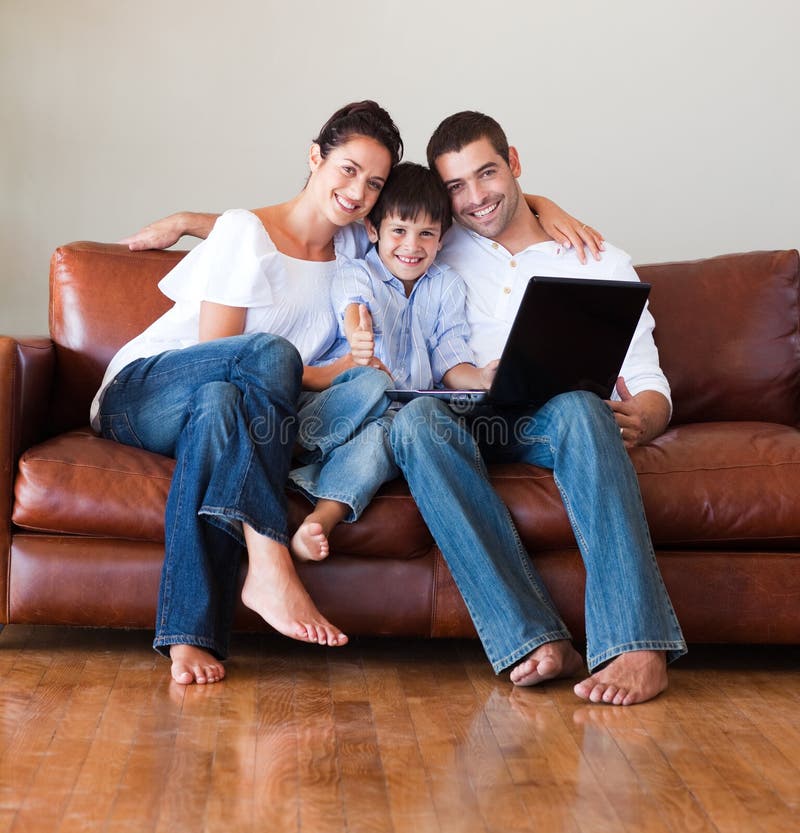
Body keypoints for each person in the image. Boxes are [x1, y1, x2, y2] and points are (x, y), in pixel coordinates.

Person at [94, 101, 406, 686]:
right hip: (143, 391)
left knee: (227, 412)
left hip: (228, 410)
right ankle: (268, 554)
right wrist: (324, 371)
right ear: (315, 157)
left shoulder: (353, 253)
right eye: (346, 168)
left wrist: (538, 204)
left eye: (374, 182)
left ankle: (189, 636)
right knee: (265, 357)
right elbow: (220, 354)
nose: (357, 190)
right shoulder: (245, 230)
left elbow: (444, 226)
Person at [386, 110, 686, 706]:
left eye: (487, 174)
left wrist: (643, 416)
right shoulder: (434, 247)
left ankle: (635, 645)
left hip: (551, 420)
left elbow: (650, 384)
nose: (474, 199)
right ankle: (535, 640)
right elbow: (326, 226)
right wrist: (208, 223)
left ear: (515, 163)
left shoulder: (597, 259)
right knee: (414, 423)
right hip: (462, 419)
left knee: (580, 406)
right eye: (455, 187)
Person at [288, 161, 498, 562]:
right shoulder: (357, 272)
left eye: (426, 234)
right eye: (399, 231)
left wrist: (484, 378)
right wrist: (358, 335)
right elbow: (353, 308)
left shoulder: (447, 285)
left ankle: (320, 519)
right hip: (337, 407)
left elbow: (452, 359)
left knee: (388, 435)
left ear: (442, 238)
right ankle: (290, 448)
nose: (412, 245)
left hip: (389, 418)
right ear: (373, 230)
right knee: (373, 383)